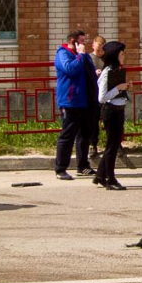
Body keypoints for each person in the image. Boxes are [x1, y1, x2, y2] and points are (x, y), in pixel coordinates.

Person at [53, 30, 98, 180]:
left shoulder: (83, 55)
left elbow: (89, 71)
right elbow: (70, 69)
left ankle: (83, 165)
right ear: (73, 41)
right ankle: (60, 169)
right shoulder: (63, 53)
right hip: (70, 100)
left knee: (85, 134)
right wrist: (80, 55)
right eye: (82, 41)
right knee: (68, 134)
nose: (84, 44)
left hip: (85, 100)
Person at [93, 41, 131, 191]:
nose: (124, 56)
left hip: (118, 110)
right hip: (111, 111)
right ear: (115, 55)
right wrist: (118, 88)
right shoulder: (107, 72)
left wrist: (125, 88)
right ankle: (110, 179)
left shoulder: (116, 70)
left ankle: (100, 176)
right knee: (111, 146)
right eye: (122, 53)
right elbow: (102, 98)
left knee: (113, 145)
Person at [89, 36, 106, 157]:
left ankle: (116, 144)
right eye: (98, 50)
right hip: (93, 92)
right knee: (93, 120)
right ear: (93, 46)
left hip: (106, 93)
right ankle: (93, 144)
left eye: (101, 50)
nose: (100, 52)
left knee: (109, 120)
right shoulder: (89, 58)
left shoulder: (107, 58)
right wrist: (94, 73)